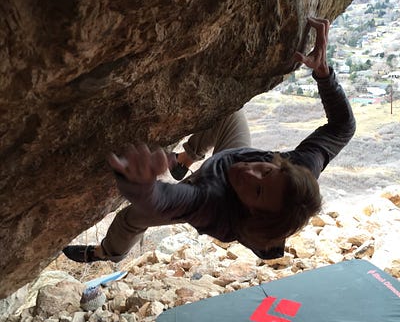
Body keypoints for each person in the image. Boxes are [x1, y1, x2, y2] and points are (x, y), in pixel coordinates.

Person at [63, 17, 356, 263]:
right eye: (266, 171)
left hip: (220, 193)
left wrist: (140, 186)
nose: (249, 172)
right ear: (281, 166)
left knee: (132, 218)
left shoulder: (215, 208)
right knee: (228, 111)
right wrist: (323, 73)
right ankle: (184, 160)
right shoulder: (300, 168)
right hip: (229, 160)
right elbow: (343, 126)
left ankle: (106, 253)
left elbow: (161, 203)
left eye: (256, 190)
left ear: (251, 209)